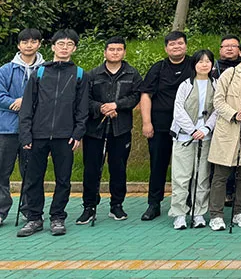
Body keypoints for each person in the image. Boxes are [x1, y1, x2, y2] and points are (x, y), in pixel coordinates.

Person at [15, 30, 88, 238]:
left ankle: (57, 217)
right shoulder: (39, 72)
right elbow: (27, 106)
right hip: (37, 134)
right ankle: (34, 218)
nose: (64, 48)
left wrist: (78, 132)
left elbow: (82, 108)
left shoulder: (80, 74)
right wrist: (25, 134)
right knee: (33, 178)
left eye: (69, 44)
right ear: (53, 47)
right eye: (60, 44)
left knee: (63, 179)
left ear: (74, 48)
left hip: (65, 136)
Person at [78, 37, 141, 225]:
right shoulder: (92, 74)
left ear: (124, 52)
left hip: (121, 129)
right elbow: (85, 99)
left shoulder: (132, 74)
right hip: (95, 130)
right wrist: (101, 108)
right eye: (111, 49)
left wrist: (117, 105)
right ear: (105, 52)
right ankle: (89, 206)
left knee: (118, 168)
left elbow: (136, 96)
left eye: (119, 49)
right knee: (91, 169)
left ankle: (117, 205)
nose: (115, 52)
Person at [207, 38, 241, 231]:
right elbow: (218, 100)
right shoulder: (229, 74)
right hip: (227, 128)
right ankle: (216, 214)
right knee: (220, 175)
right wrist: (233, 114)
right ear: (240, 52)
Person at [139, 31, 194, 221]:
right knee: (157, 165)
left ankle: (188, 202)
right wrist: (146, 122)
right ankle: (154, 204)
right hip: (160, 126)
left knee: (188, 167)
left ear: (186, 45)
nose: (176, 47)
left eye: (180, 43)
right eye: (172, 44)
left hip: (188, 128)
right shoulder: (158, 68)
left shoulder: (194, 65)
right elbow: (146, 94)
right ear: (166, 48)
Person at [168, 50, 218, 230]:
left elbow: (218, 110)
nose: (204, 64)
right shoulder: (185, 85)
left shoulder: (216, 84)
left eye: (208, 61)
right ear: (194, 64)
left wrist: (206, 128)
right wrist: (192, 129)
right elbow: (178, 110)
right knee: (181, 177)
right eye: (200, 61)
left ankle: (198, 213)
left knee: (202, 177)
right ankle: (179, 214)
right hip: (184, 137)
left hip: (206, 137)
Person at [0, 29, 43, 227]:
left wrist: (25, 103)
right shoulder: (5, 70)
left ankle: (30, 211)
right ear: (18, 45)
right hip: (6, 129)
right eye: (25, 42)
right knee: (2, 172)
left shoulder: (45, 70)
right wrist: (13, 103)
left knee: (31, 173)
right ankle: (1, 211)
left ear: (39, 44)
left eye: (33, 41)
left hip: (34, 129)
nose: (29, 45)